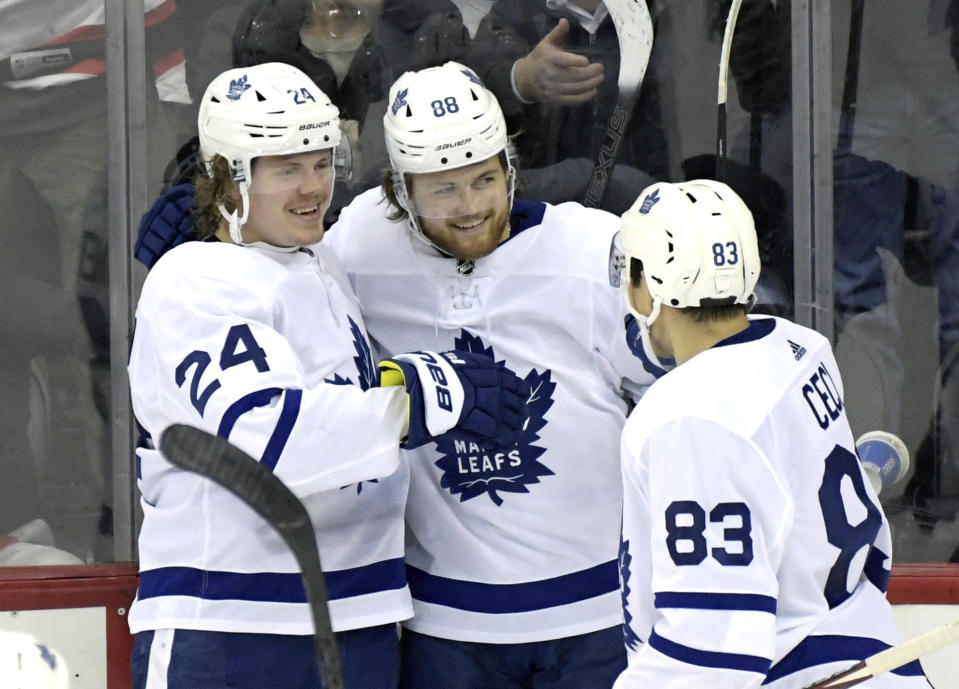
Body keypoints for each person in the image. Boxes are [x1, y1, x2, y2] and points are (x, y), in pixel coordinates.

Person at [135, 60, 662, 689]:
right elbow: (271, 442)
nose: (312, 188)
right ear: (399, 194)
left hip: (368, 622)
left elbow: (681, 376)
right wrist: (430, 391)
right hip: (236, 625)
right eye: (285, 168)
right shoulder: (207, 278)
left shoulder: (327, 263)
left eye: (320, 162)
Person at [324, 61, 660, 689]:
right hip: (449, 629)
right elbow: (282, 283)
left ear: (509, 165)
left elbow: (679, 398)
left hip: (597, 617)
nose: (473, 206)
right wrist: (207, 238)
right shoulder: (359, 249)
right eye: (444, 190)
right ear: (399, 191)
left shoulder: (596, 251)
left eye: (485, 180)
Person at [609, 179, 931, 688]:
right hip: (875, 660)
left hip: (801, 673)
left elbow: (712, 649)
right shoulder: (799, 347)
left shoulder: (689, 417)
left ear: (650, 286)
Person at [462, 0, 668, 213]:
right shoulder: (516, 12)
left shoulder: (657, 14)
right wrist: (520, 79)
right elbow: (469, 90)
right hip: (538, 216)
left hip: (644, 214)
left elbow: (670, 130)